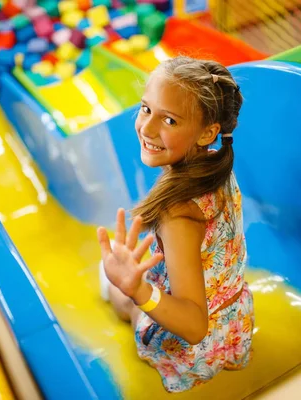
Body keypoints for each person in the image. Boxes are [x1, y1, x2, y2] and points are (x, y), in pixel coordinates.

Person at [97, 56, 254, 393]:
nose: (147, 128)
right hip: (232, 325)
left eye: (169, 119)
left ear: (207, 132)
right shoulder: (217, 163)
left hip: (191, 350)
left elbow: (195, 327)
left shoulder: (178, 215)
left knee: (117, 290)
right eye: (145, 109)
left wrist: (136, 288)